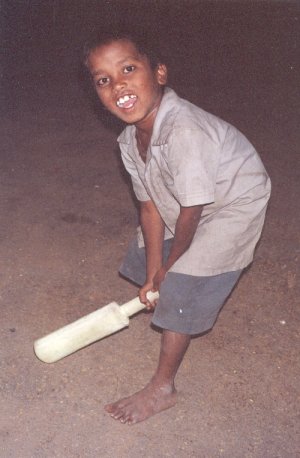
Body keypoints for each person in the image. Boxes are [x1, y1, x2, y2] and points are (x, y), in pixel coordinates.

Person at [84, 33, 271, 425]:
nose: (117, 84)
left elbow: (193, 208)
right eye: (103, 80)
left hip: (234, 201)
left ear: (160, 73)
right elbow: (149, 206)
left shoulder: (183, 129)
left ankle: (163, 388)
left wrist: (171, 271)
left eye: (128, 69)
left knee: (183, 280)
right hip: (193, 197)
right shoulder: (128, 139)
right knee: (145, 258)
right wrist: (155, 269)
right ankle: (176, 299)